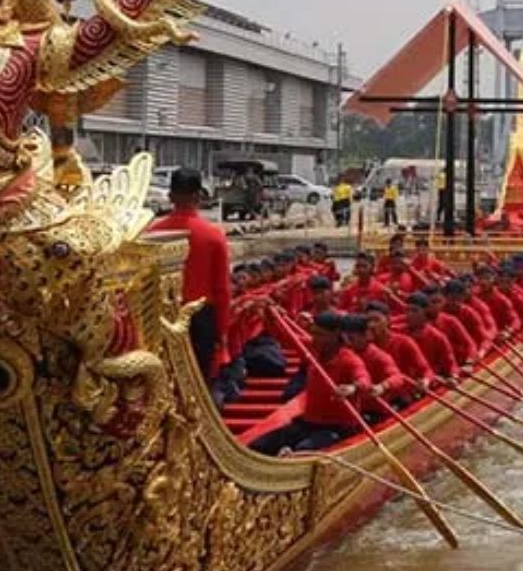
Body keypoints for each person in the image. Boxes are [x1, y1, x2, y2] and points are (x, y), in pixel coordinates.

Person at [249, 312, 372, 456]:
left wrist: (352, 387)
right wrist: (269, 316)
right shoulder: (313, 348)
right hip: (308, 423)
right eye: (314, 334)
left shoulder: (349, 359)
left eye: (320, 334)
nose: (315, 339)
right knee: (258, 446)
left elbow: (365, 380)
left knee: (302, 451)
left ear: (336, 335)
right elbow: (284, 337)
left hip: (336, 428)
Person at [149, 168, 231, 383]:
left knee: (165, 380)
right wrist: (222, 333)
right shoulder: (213, 236)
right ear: (199, 196)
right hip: (201, 318)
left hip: (162, 316)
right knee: (199, 381)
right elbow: (222, 290)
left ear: (170, 196)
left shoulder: (152, 235)